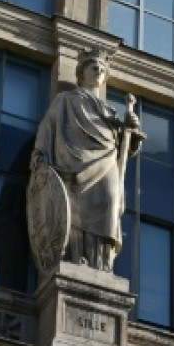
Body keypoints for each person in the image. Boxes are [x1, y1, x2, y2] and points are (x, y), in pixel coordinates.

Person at [29, 46, 143, 273]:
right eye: (94, 67)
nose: (99, 71)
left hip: (107, 165)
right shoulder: (66, 100)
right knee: (74, 211)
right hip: (73, 162)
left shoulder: (110, 111)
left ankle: (100, 261)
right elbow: (48, 127)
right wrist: (39, 153)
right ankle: (75, 256)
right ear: (82, 72)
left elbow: (125, 147)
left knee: (110, 202)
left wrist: (131, 129)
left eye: (102, 68)